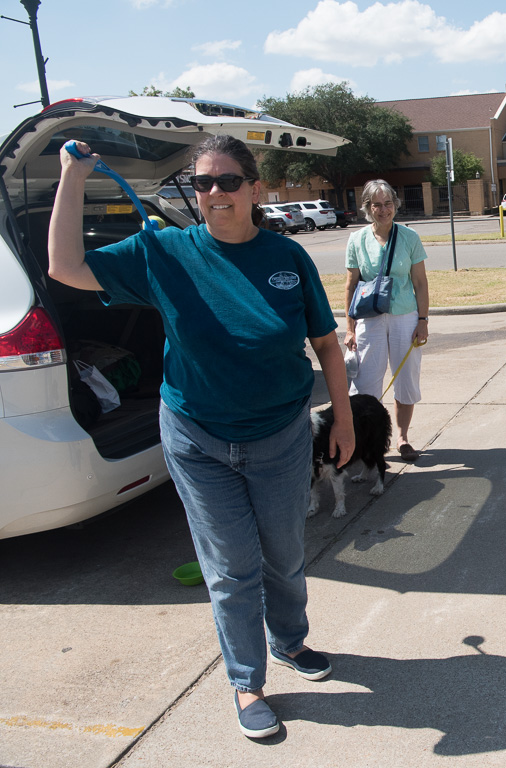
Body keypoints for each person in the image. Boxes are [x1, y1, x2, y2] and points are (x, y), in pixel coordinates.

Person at [47, 134, 354, 740]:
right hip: (198, 437)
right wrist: (71, 177)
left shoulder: (287, 258)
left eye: (228, 181)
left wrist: (342, 418)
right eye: (202, 183)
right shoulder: (164, 252)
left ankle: (290, 641)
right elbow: (65, 267)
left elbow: (324, 344)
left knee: (285, 558)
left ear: (254, 188)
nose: (214, 193)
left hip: (281, 434)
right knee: (232, 569)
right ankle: (247, 683)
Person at [344, 180, 429, 462]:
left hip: (405, 317)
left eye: (388, 203)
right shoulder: (356, 239)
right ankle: (365, 444)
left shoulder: (409, 237)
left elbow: (420, 282)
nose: (384, 210)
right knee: (365, 384)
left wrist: (423, 320)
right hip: (370, 319)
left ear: (395, 204)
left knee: (406, 379)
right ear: (367, 208)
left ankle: (403, 438)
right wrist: (349, 327)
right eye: (377, 205)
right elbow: (350, 285)